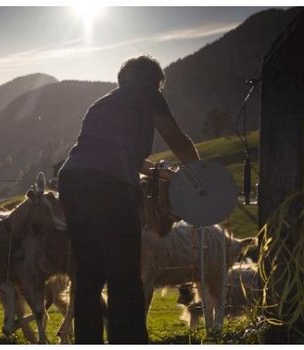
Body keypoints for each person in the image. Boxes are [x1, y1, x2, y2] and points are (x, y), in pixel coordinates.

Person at [58, 55, 200, 344]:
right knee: (124, 274)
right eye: (159, 84)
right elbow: (177, 140)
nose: (159, 89)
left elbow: (120, 156)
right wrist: (200, 174)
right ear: (152, 80)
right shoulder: (148, 94)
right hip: (111, 187)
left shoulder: (100, 105)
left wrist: (161, 173)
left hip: (73, 181)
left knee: (89, 273)